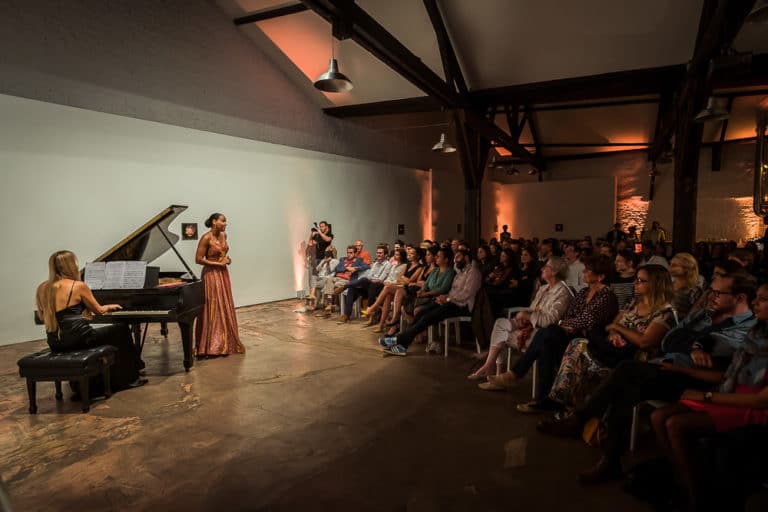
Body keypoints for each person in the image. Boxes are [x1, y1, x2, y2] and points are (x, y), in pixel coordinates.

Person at [537, 270, 758, 485]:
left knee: (626, 371)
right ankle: (609, 459)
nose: (711, 296)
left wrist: (695, 344)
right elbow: (669, 341)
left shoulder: (748, 329)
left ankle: (583, 423)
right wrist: (697, 345)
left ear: (740, 298)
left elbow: (721, 360)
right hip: (669, 365)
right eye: (712, 291)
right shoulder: (706, 314)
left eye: (718, 293)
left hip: (697, 378)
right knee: (625, 386)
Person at [649, 284, 768, 510]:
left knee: (675, 423)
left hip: (751, 405)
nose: (755, 303)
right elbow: (730, 375)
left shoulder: (753, 333)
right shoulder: (757, 333)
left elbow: (761, 400)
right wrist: (685, 371)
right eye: (757, 298)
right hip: (731, 392)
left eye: (763, 299)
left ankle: (696, 498)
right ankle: (682, 482)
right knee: (658, 416)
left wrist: (707, 396)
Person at [539, 265, 676, 413]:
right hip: (613, 349)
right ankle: (562, 401)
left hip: (634, 359)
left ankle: (561, 401)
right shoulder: (633, 303)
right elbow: (611, 326)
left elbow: (645, 342)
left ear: (656, 284)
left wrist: (618, 329)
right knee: (572, 342)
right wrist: (614, 333)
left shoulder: (665, 312)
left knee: (573, 346)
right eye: (636, 279)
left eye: (641, 281)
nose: (635, 283)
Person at [479, 255, 618, 393]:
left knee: (547, 334)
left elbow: (586, 321)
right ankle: (536, 392)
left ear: (600, 277)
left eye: (588, 270)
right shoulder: (583, 292)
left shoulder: (606, 296)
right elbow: (571, 316)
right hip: (567, 334)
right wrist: (564, 323)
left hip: (587, 341)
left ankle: (515, 375)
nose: (583, 272)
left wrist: (563, 323)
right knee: (545, 337)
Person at [35, 250, 145, 394]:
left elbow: (42, 317)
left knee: (113, 333)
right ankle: (129, 377)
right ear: (70, 266)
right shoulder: (78, 286)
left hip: (56, 341)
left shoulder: (42, 288)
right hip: (80, 338)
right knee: (121, 329)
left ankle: (93, 381)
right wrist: (109, 306)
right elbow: (99, 310)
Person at [468, 256, 572, 380]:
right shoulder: (544, 288)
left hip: (541, 334)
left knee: (502, 335)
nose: (542, 269)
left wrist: (526, 316)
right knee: (500, 324)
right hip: (529, 325)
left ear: (555, 271)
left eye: (546, 267)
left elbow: (549, 321)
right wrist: (524, 314)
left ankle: (494, 372)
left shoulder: (563, 292)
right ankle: (492, 368)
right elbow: (532, 308)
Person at [379, 248, 481, 356]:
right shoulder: (460, 273)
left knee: (428, 317)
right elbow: (453, 291)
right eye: (455, 257)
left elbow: (466, 294)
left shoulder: (473, 273)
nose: (455, 260)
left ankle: (399, 340)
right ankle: (402, 345)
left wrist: (447, 298)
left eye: (458, 257)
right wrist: (445, 297)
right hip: (450, 302)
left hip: (461, 306)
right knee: (421, 312)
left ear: (466, 258)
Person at [195, 213, 244, 357]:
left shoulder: (224, 235)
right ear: (214, 222)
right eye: (223, 221)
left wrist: (227, 260)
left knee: (224, 304)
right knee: (212, 306)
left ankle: (225, 342)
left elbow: (223, 254)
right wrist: (218, 263)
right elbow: (198, 259)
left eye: (225, 221)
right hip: (211, 274)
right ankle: (209, 346)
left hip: (223, 274)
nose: (225, 223)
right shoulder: (206, 238)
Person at [669, 252, 704, 318]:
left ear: (686, 268)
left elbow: (693, 316)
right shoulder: (667, 285)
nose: (669, 267)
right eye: (670, 264)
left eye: (674, 265)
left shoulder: (694, 291)